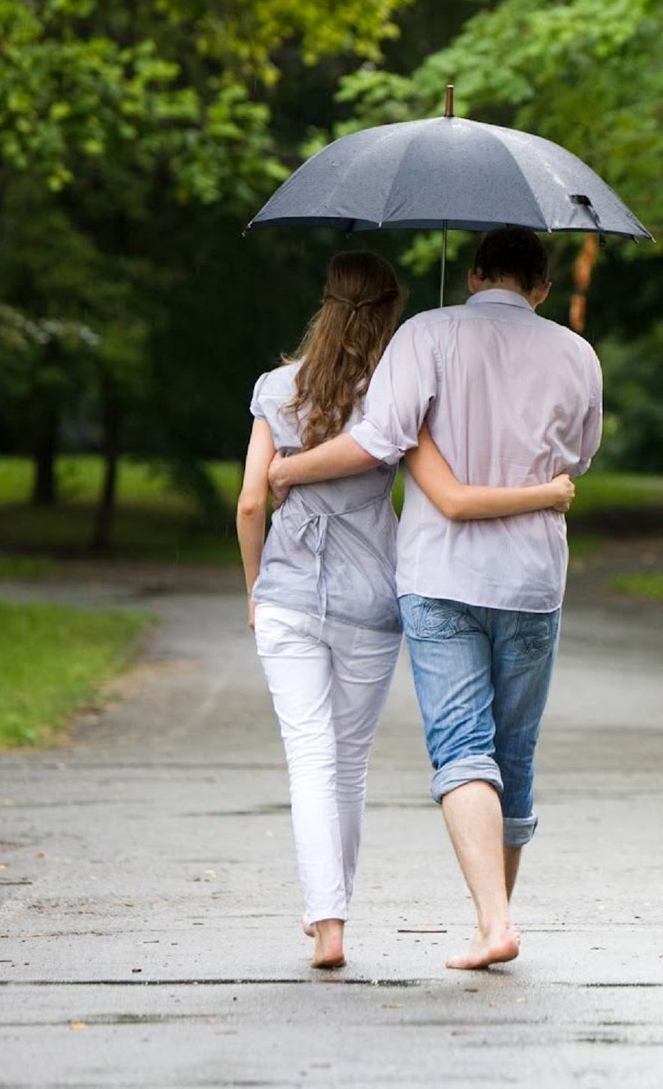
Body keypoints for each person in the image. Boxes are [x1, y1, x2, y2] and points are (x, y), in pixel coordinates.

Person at [269, 227, 603, 970]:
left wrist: (290, 474)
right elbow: (580, 456)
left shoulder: (428, 334)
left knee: (462, 750)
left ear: (475, 273)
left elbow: (380, 438)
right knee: (512, 755)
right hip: (533, 580)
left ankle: (493, 922)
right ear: (542, 288)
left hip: (442, 580)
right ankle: (495, 919)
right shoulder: (578, 355)